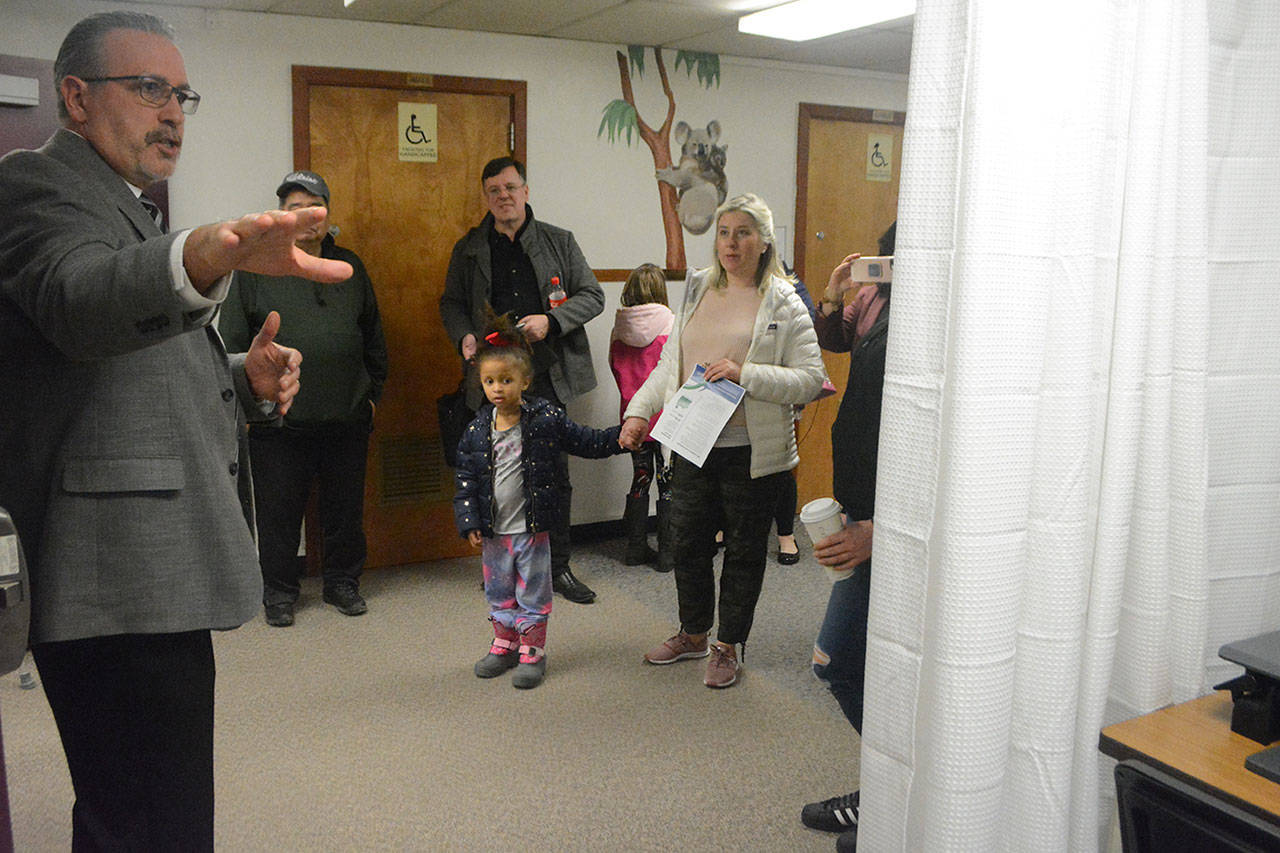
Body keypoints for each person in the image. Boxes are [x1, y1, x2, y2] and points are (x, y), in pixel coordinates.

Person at [0, 11, 352, 850]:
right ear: (75, 98)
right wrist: (204, 253)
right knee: (153, 820)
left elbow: (114, 369)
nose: (172, 113)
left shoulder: (121, 200)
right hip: (113, 571)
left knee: (149, 812)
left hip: (144, 567)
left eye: (181, 94)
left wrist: (241, 376)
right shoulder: (33, 184)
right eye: (149, 88)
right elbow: (83, 303)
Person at [620, 193, 827, 688]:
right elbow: (669, 366)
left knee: (744, 550)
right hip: (691, 444)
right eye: (724, 233)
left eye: (743, 233)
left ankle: (728, 645)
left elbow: (810, 379)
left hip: (751, 453)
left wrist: (746, 373)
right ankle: (693, 633)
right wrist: (637, 412)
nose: (731, 243)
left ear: (764, 241)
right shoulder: (696, 290)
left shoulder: (784, 301)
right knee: (686, 543)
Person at [220, 170, 388, 627]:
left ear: (326, 214)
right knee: (278, 514)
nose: (304, 215)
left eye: (313, 206)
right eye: (294, 207)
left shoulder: (350, 266)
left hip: (347, 417)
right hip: (279, 424)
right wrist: (252, 407)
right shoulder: (254, 269)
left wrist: (371, 396)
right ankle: (278, 592)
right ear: (281, 216)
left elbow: (373, 337)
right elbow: (231, 344)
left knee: (345, 511)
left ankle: (341, 582)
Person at [439, 156, 605, 604]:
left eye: (510, 187)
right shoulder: (469, 247)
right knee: (496, 476)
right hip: (491, 381)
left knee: (554, 474)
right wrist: (465, 338)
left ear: (526, 191)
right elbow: (451, 304)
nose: (503, 196)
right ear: (486, 198)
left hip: (546, 376)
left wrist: (551, 321)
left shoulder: (558, 241)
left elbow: (593, 296)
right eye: (494, 190)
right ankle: (501, 565)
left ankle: (559, 568)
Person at [453, 315, 625, 688]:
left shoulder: (545, 418)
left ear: (525, 381)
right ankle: (504, 644)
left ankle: (532, 652)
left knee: (532, 591)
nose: (497, 389)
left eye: (506, 380)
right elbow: (465, 479)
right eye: (489, 381)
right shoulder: (476, 429)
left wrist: (620, 438)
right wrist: (469, 522)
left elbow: (586, 441)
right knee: (498, 589)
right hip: (494, 532)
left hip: (531, 530)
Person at [799, 221, 895, 853]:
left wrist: (881, 532)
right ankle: (889, 791)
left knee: (838, 660)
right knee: (882, 667)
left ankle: (894, 797)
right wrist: (834, 298)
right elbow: (837, 341)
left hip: (891, 527)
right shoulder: (881, 298)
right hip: (860, 507)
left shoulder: (947, 319)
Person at [608, 262, 674, 568]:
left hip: (633, 417)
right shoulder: (671, 324)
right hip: (664, 418)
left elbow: (615, 369)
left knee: (641, 478)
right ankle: (667, 553)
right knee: (668, 482)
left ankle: (635, 548)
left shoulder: (618, 330)